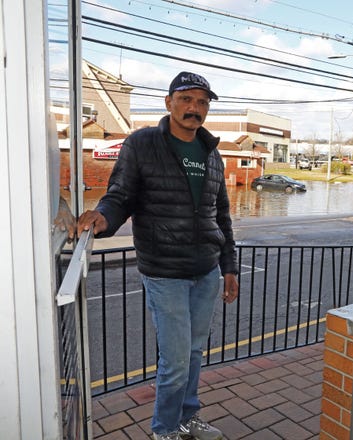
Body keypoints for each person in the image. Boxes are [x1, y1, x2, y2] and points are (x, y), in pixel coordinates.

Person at [77, 71, 239, 440]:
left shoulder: (213, 155)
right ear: (169, 103)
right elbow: (120, 194)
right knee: (177, 361)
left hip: (206, 272)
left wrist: (229, 267)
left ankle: (187, 417)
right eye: (186, 100)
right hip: (164, 271)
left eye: (201, 102)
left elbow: (222, 217)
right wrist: (103, 216)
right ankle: (164, 429)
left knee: (195, 354)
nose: (194, 109)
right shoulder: (143, 143)